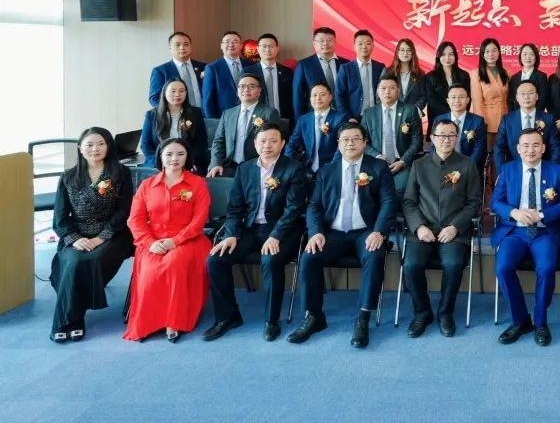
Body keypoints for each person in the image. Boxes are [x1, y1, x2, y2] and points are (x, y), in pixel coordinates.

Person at [287, 122, 396, 348]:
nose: (350, 143)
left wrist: (379, 231)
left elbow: (388, 202)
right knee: (309, 257)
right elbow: (314, 206)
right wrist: (316, 233)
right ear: (338, 144)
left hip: (366, 231)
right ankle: (314, 316)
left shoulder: (378, 168)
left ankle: (363, 319)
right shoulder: (326, 170)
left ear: (365, 143)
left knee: (374, 255)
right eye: (345, 139)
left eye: (356, 139)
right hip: (333, 233)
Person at [204, 123, 308, 342]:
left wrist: (275, 236)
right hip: (251, 228)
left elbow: (293, 209)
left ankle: (271, 321)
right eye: (262, 141)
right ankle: (228, 317)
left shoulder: (294, 169)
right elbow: (234, 208)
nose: (267, 145)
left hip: (284, 230)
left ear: (283, 143)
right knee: (216, 260)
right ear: (255, 143)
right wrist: (231, 234)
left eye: (273, 141)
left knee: (270, 260)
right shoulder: (245, 169)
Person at [49, 127, 134, 343]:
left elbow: (123, 211)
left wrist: (101, 237)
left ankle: (66, 320)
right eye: (89, 144)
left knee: (92, 259)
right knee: (72, 261)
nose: (95, 149)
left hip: (113, 232)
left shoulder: (121, 173)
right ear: (80, 148)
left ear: (108, 147)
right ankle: (74, 319)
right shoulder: (68, 177)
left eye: (101, 144)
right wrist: (75, 239)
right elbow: (60, 217)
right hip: (77, 234)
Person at [491, 128, 560, 347]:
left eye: (536, 145)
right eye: (525, 146)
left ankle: (540, 322)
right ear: (518, 149)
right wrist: (514, 212)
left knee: (546, 268)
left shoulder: (556, 171)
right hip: (514, 232)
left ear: (543, 148)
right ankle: (520, 321)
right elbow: (495, 202)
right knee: (503, 268)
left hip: (544, 231)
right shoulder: (508, 170)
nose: (531, 150)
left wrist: (542, 214)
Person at [124, 138, 211, 342]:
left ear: (187, 157)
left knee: (174, 264)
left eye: (180, 154)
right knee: (150, 271)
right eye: (169, 154)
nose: (174, 159)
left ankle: (175, 320)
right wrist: (150, 243)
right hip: (153, 240)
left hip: (188, 240)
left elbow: (199, 221)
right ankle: (149, 322)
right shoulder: (147, 185)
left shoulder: (197, 183)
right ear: (160, 157)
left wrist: (176, 240)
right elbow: (135, 220)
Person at [401, 119, 483, 338]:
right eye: (441, 135)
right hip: (424, 229)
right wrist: (419, 227)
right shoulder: (419, 165)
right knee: (411, 265)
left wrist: (455, 226)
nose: (446, 140)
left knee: (453, 264)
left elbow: (474, 202)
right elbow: (408, 201)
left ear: (457, 138)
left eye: (451, 135)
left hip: (453, 231)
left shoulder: (467, 165)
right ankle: (422, 312)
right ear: (432, 138)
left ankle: (445, 312)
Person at [360, 76, 423, 198]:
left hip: (402, 162)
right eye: (383, 88)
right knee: (370, 189)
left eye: (392, 88)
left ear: (398, 91)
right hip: (377, 162)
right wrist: (377, 156)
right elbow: (363, 141)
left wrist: (403, 161)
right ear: (377, 91)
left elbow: (417, 141)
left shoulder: (410, 110)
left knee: (400, 189)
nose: (387, 92)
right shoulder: (369, 113)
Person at [208, 74, 281, 177]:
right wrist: (216, 164)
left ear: (259, 91)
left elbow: (274, 143)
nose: (246, 89)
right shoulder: (228, 114)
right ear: (237, 91)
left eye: (251, 86)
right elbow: (218, 141)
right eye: (242, 86)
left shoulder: (269, 113)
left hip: (256, 166)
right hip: (229, 165)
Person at [139, 79, 209, 173]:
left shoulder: (195, 113)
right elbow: (146, 145)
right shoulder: (151, 115)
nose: (177, 94)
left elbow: (201, 143)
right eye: (173, 91)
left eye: (181, 91)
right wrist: (161, 162)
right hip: (158, 164)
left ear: (186, 93)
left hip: (189, 162)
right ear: (164, 93)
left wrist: (188, 161)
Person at [493, 80, 560, 173]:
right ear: (517, 97)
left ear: (537, 96)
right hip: (514, 170)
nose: (526, 97)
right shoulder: (507, 120)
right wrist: (502, 172)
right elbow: (498, 147)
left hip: (542, 169)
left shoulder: (548, 119)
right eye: (523, 94)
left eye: (530, 93)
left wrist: (552, 172)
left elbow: (555, 147)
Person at [285, 83, 348, 173]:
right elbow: (291, 145)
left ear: (330, 97)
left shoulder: (341, 118)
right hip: (307, 168)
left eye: (322, 94)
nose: (318, 98)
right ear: (310, 99)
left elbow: (342, 147)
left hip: (331, 168)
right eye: (314, 95)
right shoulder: (303, 120)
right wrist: (290, 166)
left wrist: (331, 168)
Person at [293, 27, 348, 118]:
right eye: (321, 41)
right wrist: (300, 120)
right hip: (315, 116)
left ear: (335, 42)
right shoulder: (304, 65)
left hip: (342, 115)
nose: (325, 44)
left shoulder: (346, 64)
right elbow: (298, 95)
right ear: (314, 44)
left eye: (329, 40)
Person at [430, 84, 488, 170]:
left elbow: (479, 149)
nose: (457, 100)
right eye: (453, 97)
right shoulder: (439, 120)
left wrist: (466, 167)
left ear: (468, 100)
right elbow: (433, 146)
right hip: (443, 166)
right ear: (448, 100)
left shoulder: (477, 121)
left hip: (468, 166)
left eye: (461, 97)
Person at [335, 29, 387, 121]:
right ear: (354, 47)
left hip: (377, 116)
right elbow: (339, 95)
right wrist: (348, 117)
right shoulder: (345, 68)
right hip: (354, 117)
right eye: (360, 44)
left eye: (368, 43)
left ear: (373, 46)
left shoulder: (380, 67)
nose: (364, 46)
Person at [244, 33, 295, 124]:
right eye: (264, 46)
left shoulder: (287, 72)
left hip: (282, 119)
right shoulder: (248, 72)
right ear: (258, 49)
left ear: (277, 49)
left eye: (271, 46)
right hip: (256, 120)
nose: (267, 49)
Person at [470, 37, 510, 150]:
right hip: (487, 120)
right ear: (482, 54)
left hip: (506, 117)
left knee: (504, 152)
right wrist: (480, 123)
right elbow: (477, 102)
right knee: (488, 152)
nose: (491, 54)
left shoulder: (506, 73)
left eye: (494, 50)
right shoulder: (476, 73)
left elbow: (510, 98)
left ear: (499, 52)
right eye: (487, 51)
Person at [148, 31, 205, 107]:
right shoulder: (160, 71)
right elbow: (154, 99)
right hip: (177, 113)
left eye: (186, 44)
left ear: (190, 47)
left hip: (204, 113)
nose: (182, 48)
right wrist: (172, 112)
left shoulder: (204, 67)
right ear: (170, 49)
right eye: (177, 45)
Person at [200, 30, 245, 118]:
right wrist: (212, 122)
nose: (231, 45)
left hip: (248, 115)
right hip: (223, 117)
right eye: (227, 42)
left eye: (235, 42)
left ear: (241, 45)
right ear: (221, 46)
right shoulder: (212, 68)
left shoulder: (250, 65)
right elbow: (207, 99)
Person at [423, 40, 470, 124]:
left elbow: (467, 99)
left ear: (455, 56)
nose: (447, 58)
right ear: (438, 57)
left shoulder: (464, 75)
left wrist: (458, 116)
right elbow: (432, 103)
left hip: (459, 120)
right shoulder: (430, 77)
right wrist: (451, 115)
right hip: (438, 122)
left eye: (451, 54)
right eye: (443, 55)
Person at [389, 38, 426, 117]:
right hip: (392, 115)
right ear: (397, 52)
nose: (405, 53)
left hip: (413, 115)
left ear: (413, 53)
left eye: (409, 50)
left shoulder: (420, 73)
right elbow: (380, 94)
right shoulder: (388, 72)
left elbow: (424, 95)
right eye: (402, 50)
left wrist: (414, 110)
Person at [508, 43, 550, 113]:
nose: (528, 57)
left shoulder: (542, 77)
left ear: (536, 57)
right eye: (525, 54)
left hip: (535, 116)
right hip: (516, 116)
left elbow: (542, 101)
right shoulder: (514, 78)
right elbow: (511, 100)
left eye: (531, 54)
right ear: (520, 57)